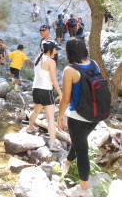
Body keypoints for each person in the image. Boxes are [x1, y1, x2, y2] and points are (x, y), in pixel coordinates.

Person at [57, 38, 98, 197]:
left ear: (69, 52)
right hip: (95, 114)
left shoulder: (70, 70)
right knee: (79, 141)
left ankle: (83, 189)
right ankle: (67, 162)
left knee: (82, 151)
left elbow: (65, 99)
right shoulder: (94, 63)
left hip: (78, 117)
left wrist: (59, 117)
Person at [27, 41, 62, 152]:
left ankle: (30, 127)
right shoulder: (50, 61)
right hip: (46, 90)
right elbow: (54, 79)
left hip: (36, 89)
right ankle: (52, 143)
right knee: (51, 118)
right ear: (50, 49)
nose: (56, 52)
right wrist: (60, 93)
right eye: (55, 49)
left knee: (37, 111)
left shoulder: (39, 58)